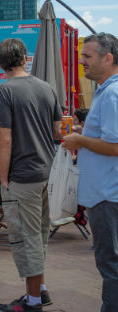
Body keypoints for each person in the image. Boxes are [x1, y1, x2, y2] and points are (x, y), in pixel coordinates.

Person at [0, 38, 61, 312]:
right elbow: (58, 131)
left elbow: (4, 138)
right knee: (40, 233)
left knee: (26, 237)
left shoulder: (5, 91)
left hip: (22, 176)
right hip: (46, 172)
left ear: (0, 64)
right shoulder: (47, 88)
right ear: (24, 58)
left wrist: (3, 176)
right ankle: (40, 290)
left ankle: (32, 301)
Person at [61, 32, 118, 312]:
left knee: (111, 265)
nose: (82, 60)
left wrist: (80, 140)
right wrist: (85, 133)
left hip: (107, 195)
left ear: (108, 58)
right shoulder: (107, 91)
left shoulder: (112, 94)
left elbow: (116, 145)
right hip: (105, 193)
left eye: (87, 56)